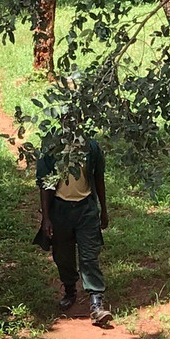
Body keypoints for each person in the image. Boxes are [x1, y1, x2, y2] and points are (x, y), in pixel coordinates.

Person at [37, 137, 112, 327]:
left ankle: (96, 303)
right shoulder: (51, 147)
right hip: (60, 209)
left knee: (90, 255)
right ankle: (70, 289)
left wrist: (103, 209)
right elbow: (45, 184)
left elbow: (98, 178)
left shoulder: (91, 147)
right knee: (63, 255)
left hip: (86, 208)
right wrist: (46, 217)